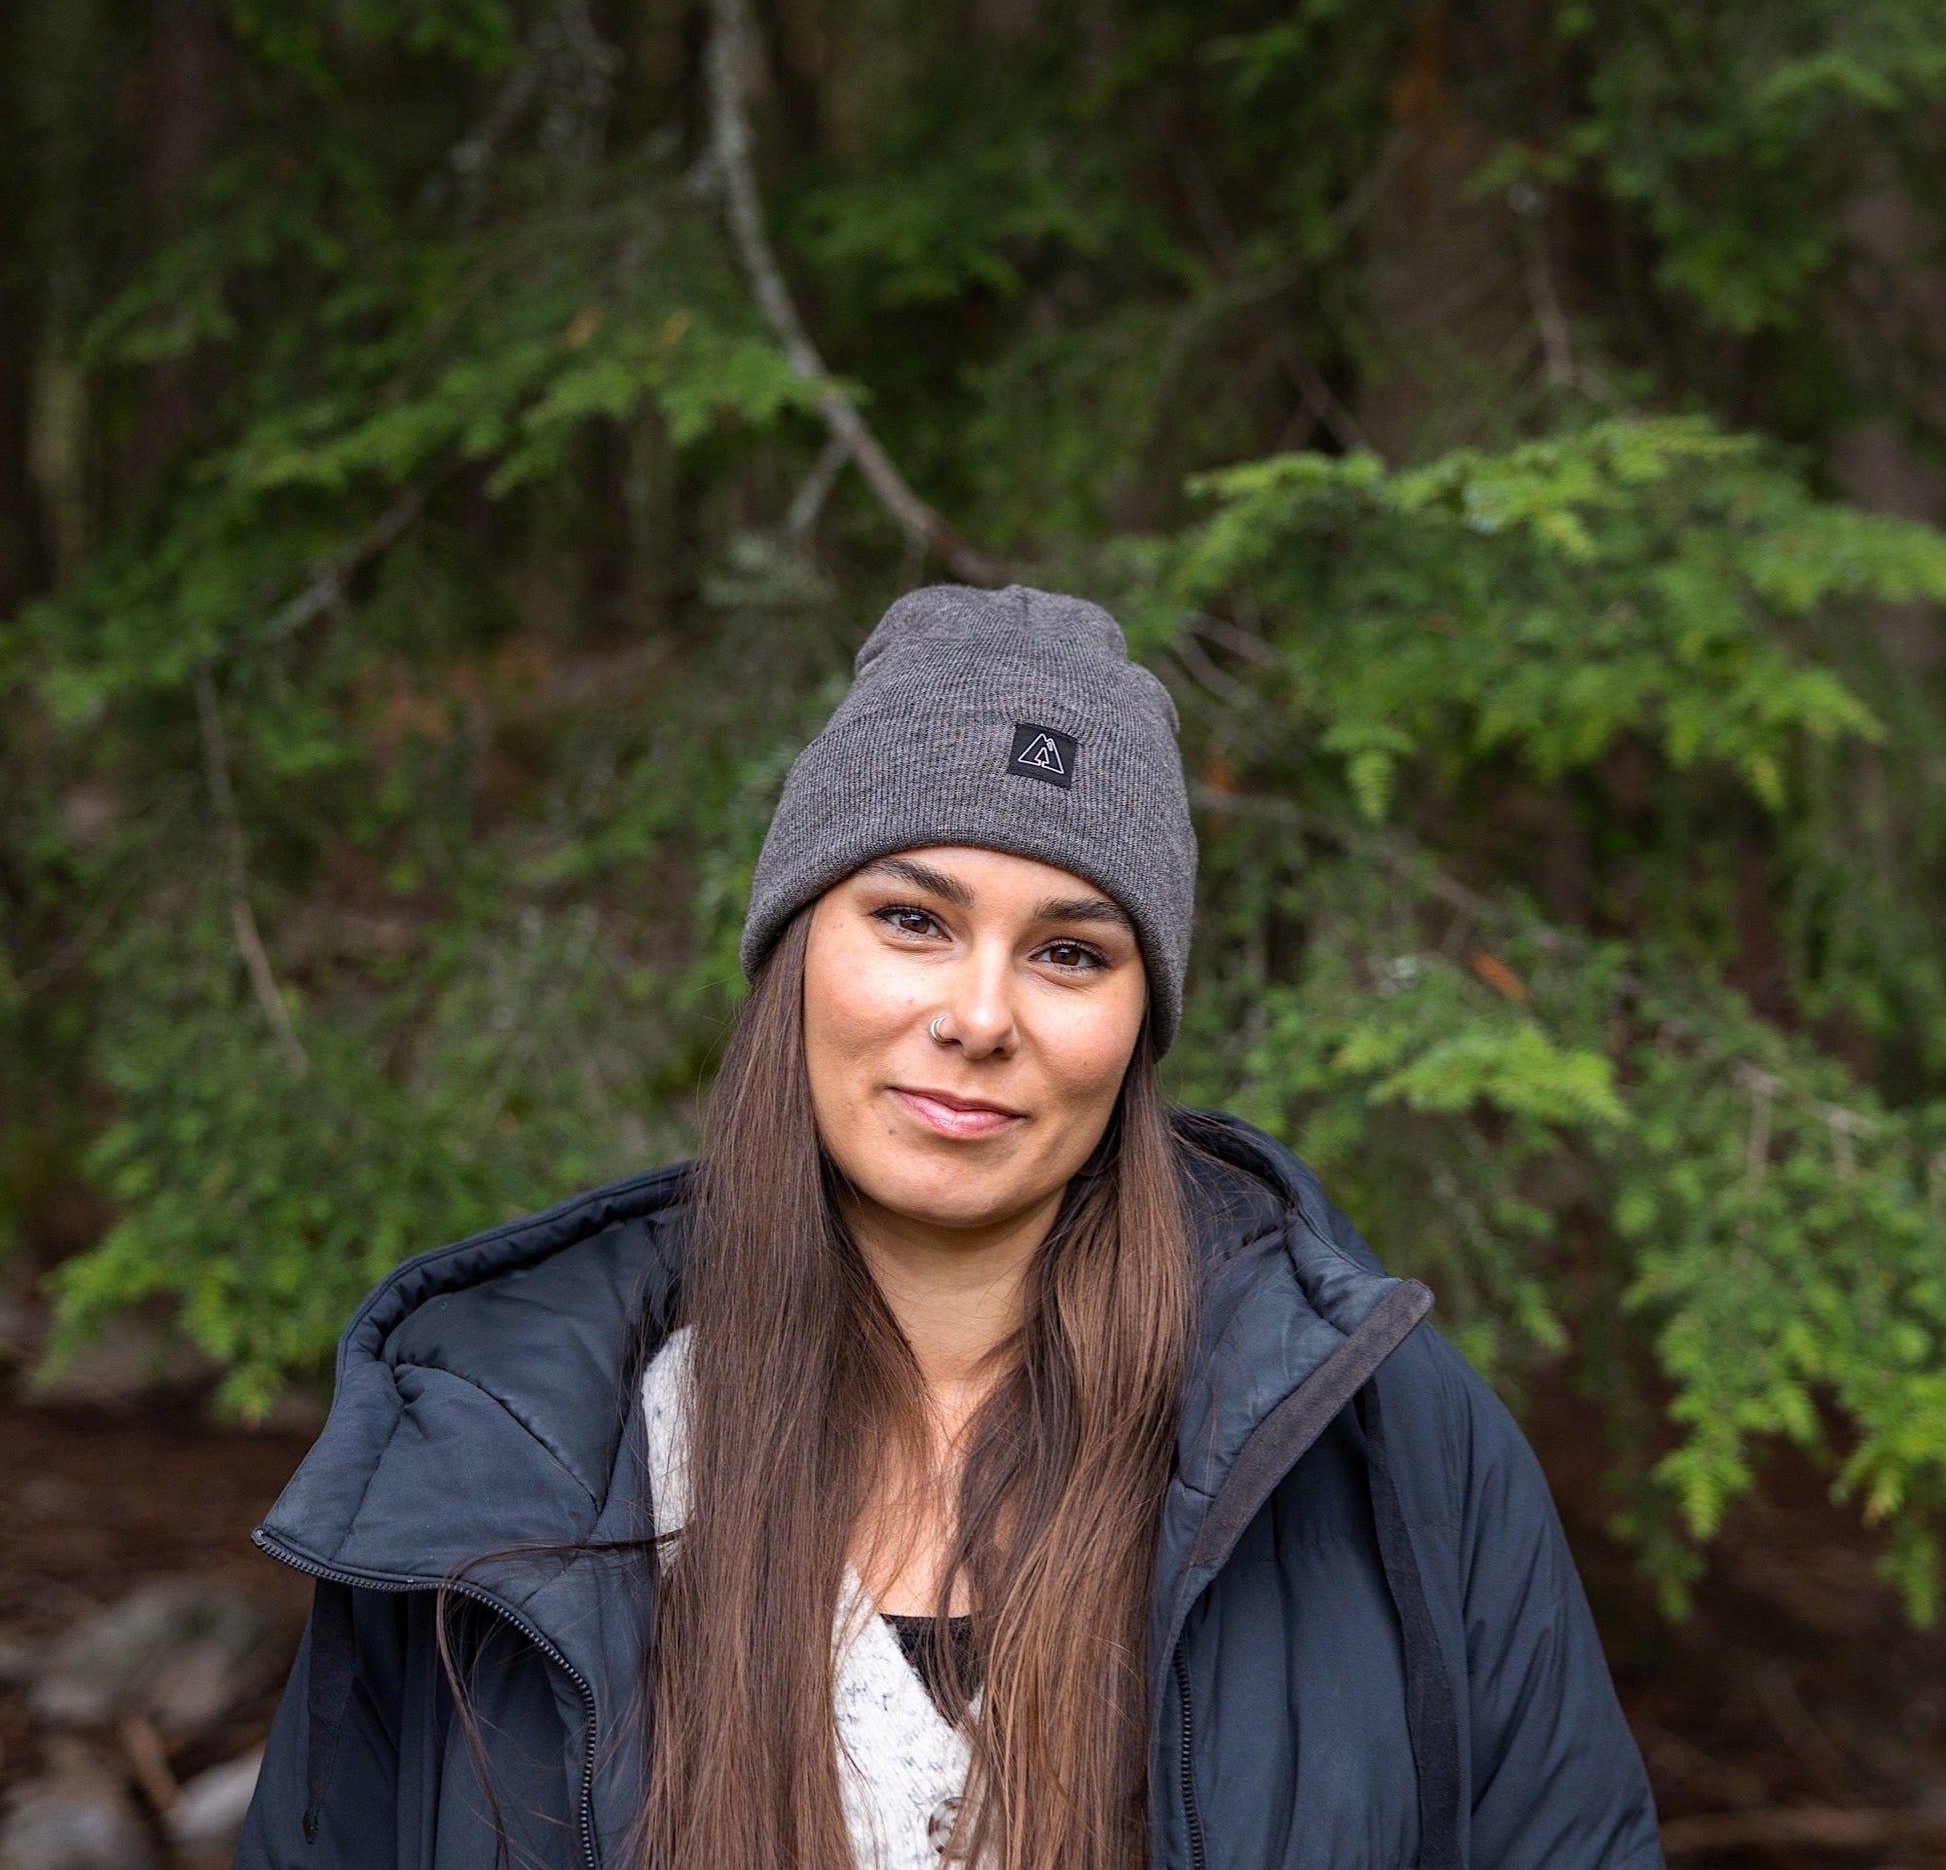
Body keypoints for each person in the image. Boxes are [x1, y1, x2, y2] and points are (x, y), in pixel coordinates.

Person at [235, 584, 1663, 1870]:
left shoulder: (1380, 1438)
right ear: (797, 949)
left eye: (1069, 952)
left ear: (1138, 1021)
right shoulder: (494, 1453)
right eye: (913, 920)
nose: (979, 1017)